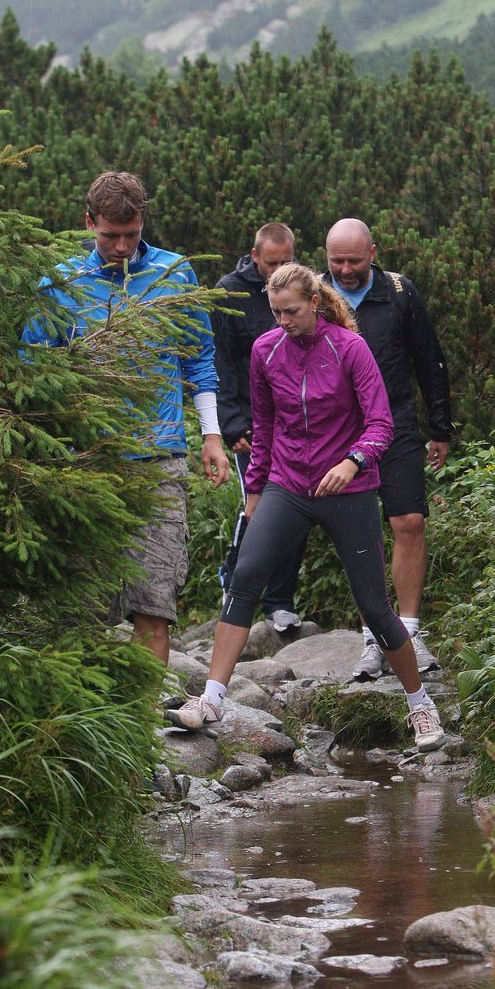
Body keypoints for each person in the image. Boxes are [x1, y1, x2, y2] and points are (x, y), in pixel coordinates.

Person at [169, 264, 445, 751]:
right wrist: (254, 495)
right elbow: (266, 429)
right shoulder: (265, 350)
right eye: (275, 313)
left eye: (291, 312)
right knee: (245, 576)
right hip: (288, 484)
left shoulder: (350, 348)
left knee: (375, 607)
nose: (282, 321)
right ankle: (210, 699)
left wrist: (353, 462)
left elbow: (381, 424)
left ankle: (420, 705)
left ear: (314, 303)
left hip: (348, 489)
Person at [22, 170, 229, 665]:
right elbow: (33, 365)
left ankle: (144, 733)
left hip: (158, 457)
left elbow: (198, 357)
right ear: (87, 222)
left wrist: (211, 434)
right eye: (109, 235)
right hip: (85, 460)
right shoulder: (61, 281)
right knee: (80, 609)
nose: (120, 246)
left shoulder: (174, 273)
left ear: (143, 222)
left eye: (131, 235)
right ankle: (88, 728)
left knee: (153, 605)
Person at [324, 219, 452, 680]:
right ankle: (372, 638)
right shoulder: (317, 294)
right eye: (336, 260)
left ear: (373, 253)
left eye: (354, 260)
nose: (344, 269)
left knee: (409, 521)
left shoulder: (400, 292)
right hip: (340, 432)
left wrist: (440, 427)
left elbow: (429, 359)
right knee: (360, 532)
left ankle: (411, 630)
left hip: (396, 422)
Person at [212, 222, 307, 633]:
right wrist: (230, 423)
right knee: (258, 506)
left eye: (287, 260)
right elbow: (219, 362)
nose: (280, 268)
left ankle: (280, 601)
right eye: (273, 263)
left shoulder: (306, 289)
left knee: (297, 508)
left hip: (296, 422)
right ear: (255, 257)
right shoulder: (229, 291)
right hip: (249, 422)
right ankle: (236, 587)